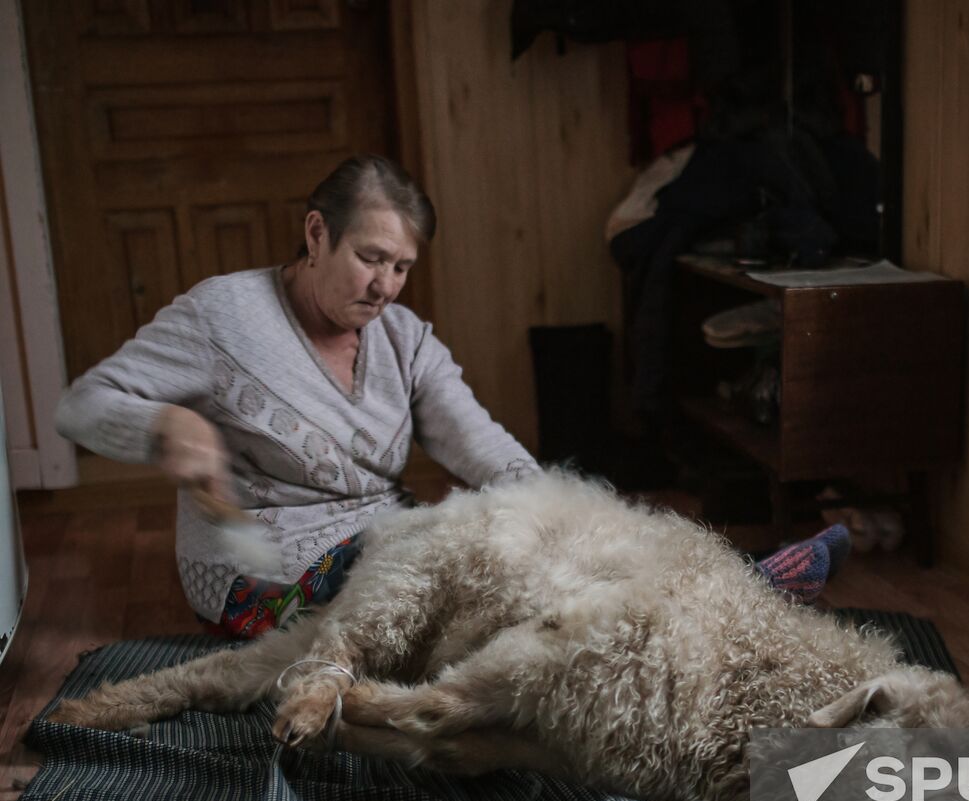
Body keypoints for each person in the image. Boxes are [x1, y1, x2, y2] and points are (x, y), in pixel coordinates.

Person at [56, 154, 846, 639]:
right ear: (314, 233)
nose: (386, 285)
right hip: (265, 577)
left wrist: (566, 517)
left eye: (402, 267)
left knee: (524, 540)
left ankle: (717, 588)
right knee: (481, 592)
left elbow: (486, 449)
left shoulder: (403, 338)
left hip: (387, 545)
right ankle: (690, 611)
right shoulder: (222, 316)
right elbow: (84, 406)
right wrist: (162, 428)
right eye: (371, 258)